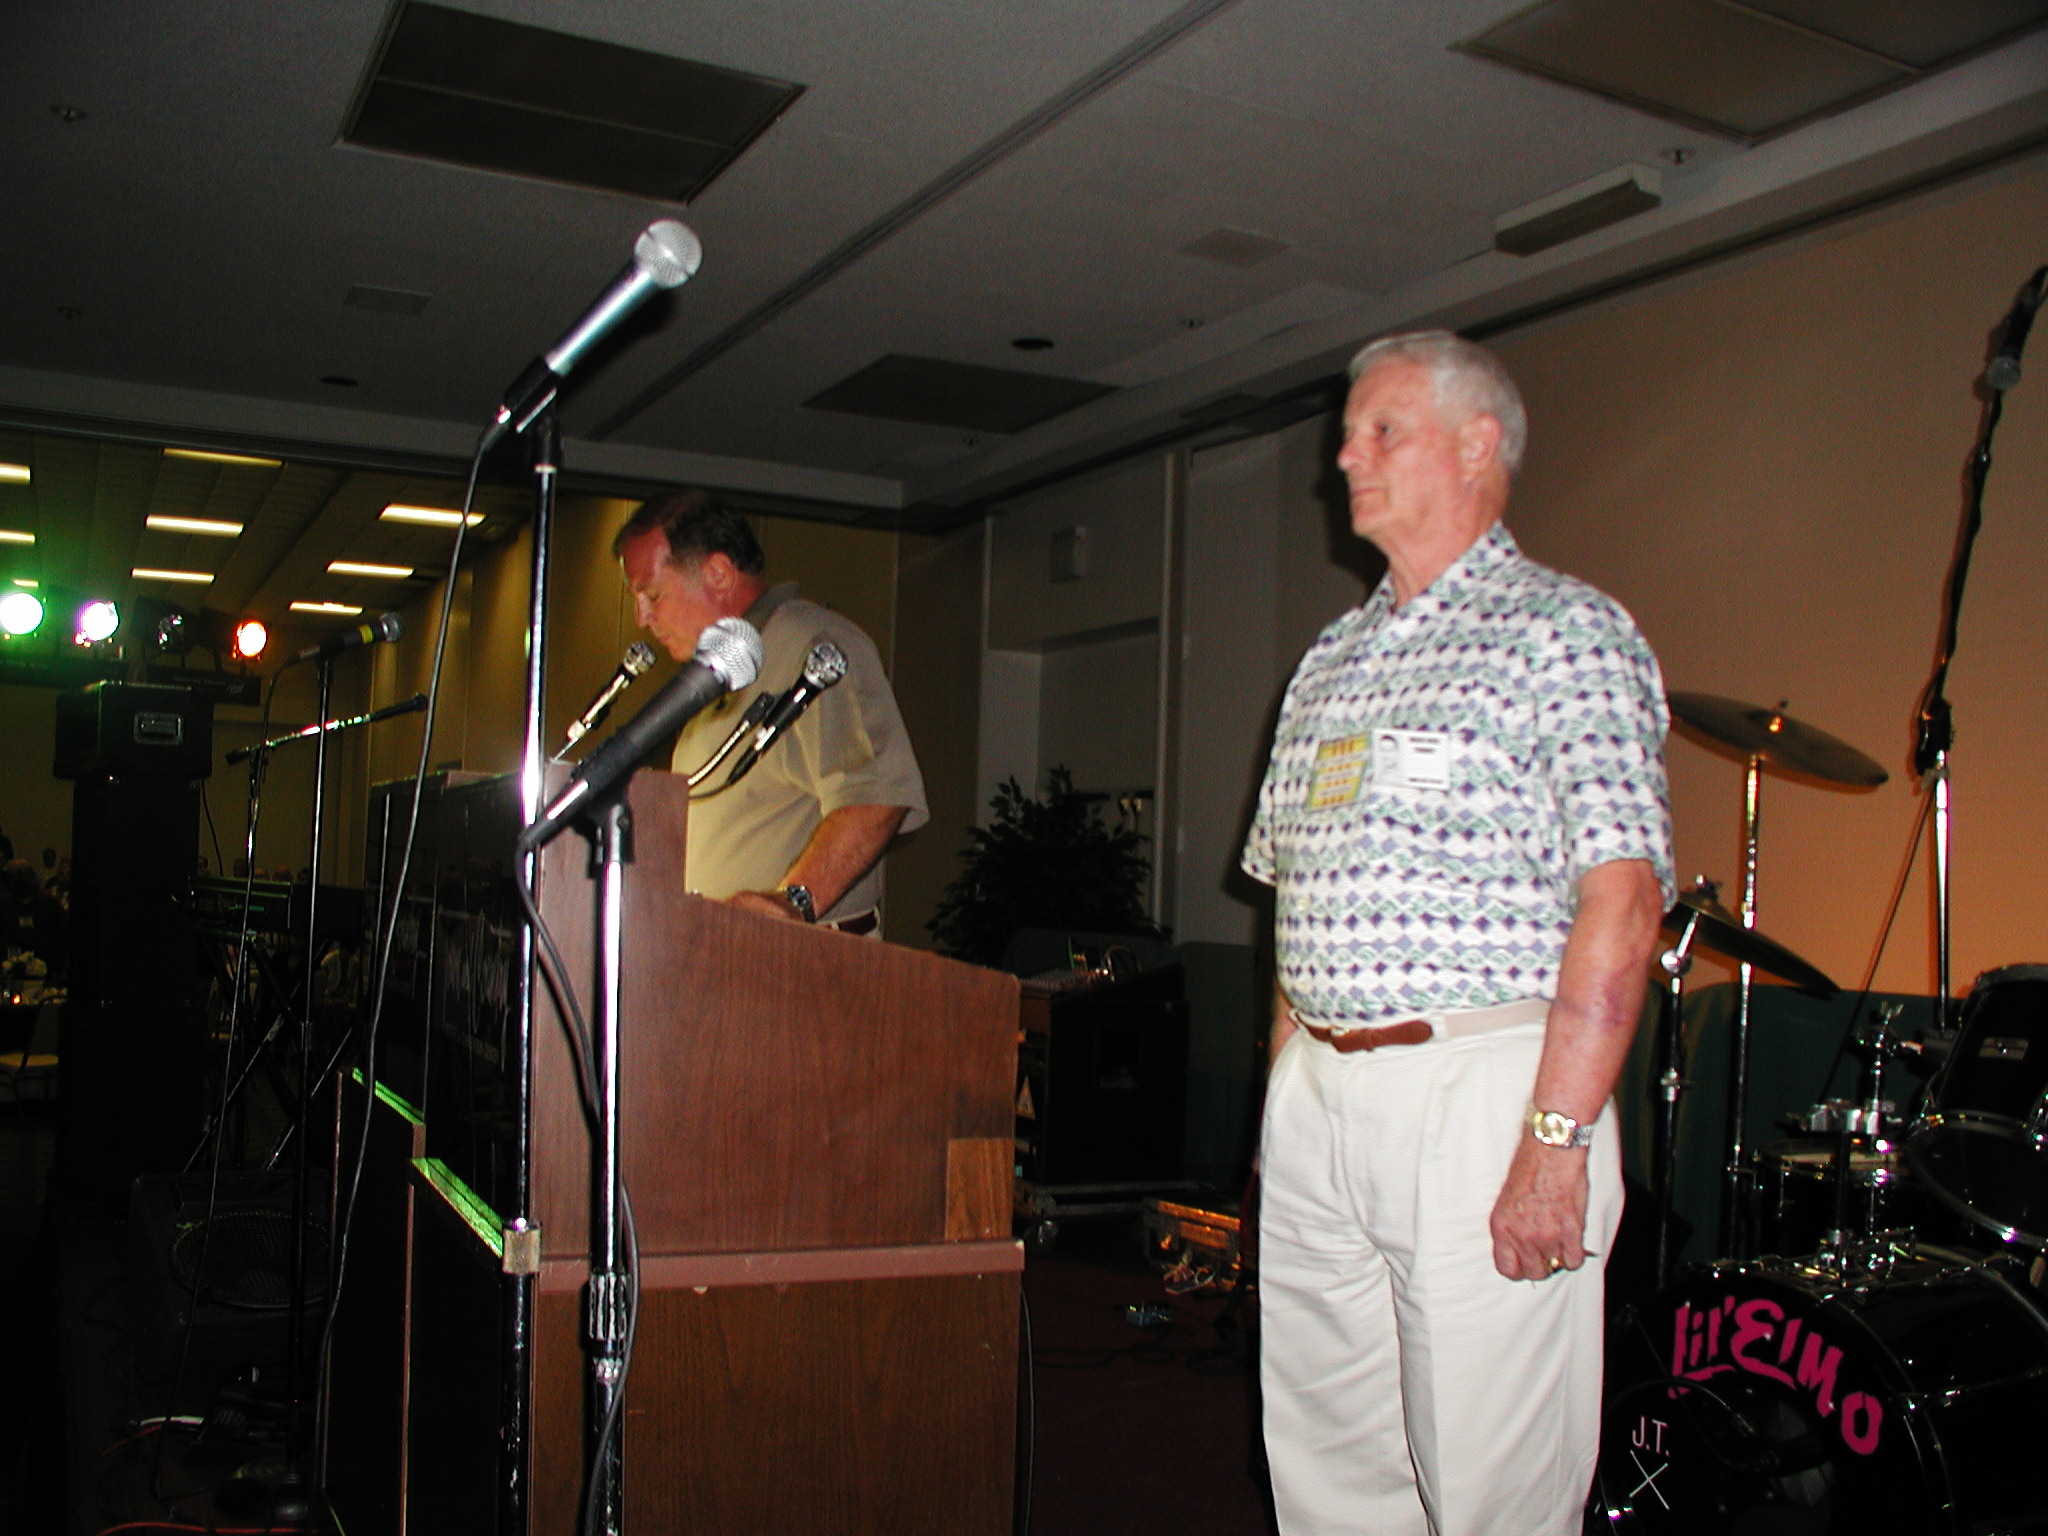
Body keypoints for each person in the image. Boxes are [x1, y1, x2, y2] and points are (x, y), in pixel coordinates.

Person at [1241, 331, 1674, 1535]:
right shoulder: (1327, 662)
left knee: (1493, 1482)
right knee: (1330, 1468)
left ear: (1478, 447)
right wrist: (1282, 1104)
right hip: (1321, 1092)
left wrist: (1554, 1139)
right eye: (1346, 435)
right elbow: (1290, 896)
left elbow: (1622, 900)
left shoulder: (1561, 632)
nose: (1343, 458)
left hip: (1481, 1093)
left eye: (1379, 431)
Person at [613, 489, 926, 933]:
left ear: (718, 573)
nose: (642, 618)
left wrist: (792, 902)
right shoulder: (716, 676)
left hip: (798, 958)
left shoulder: (812, 645)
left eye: (652, 594)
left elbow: (876, 797)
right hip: (725, 952)